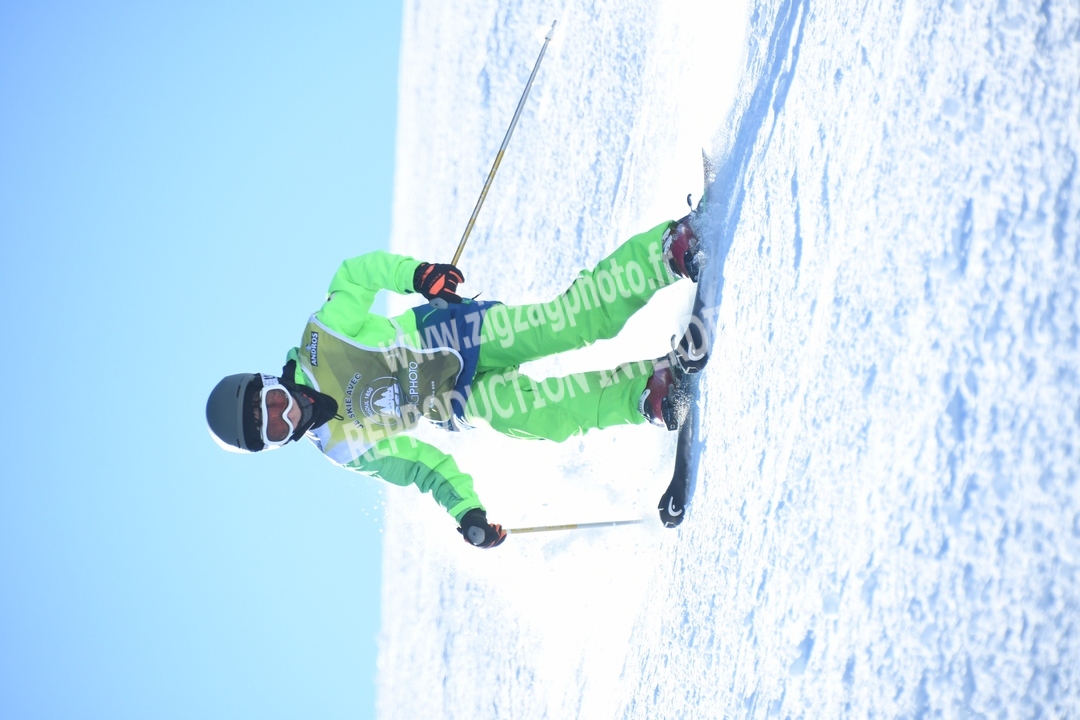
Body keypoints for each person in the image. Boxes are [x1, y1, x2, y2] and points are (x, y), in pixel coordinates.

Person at [206, 215, 703, 549]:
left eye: (271, 401)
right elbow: (422, 467)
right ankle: (647, 389)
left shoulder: (322, 338)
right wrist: (466, 512)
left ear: (269, 381)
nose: (284, 413)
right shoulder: (342, 447)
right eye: (273, 427)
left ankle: (662, 253)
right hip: (451, 400)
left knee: (566, 324)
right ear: (276, 444)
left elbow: (355, 276)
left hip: (452, 335)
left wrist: (417, 276)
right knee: (536, 418)